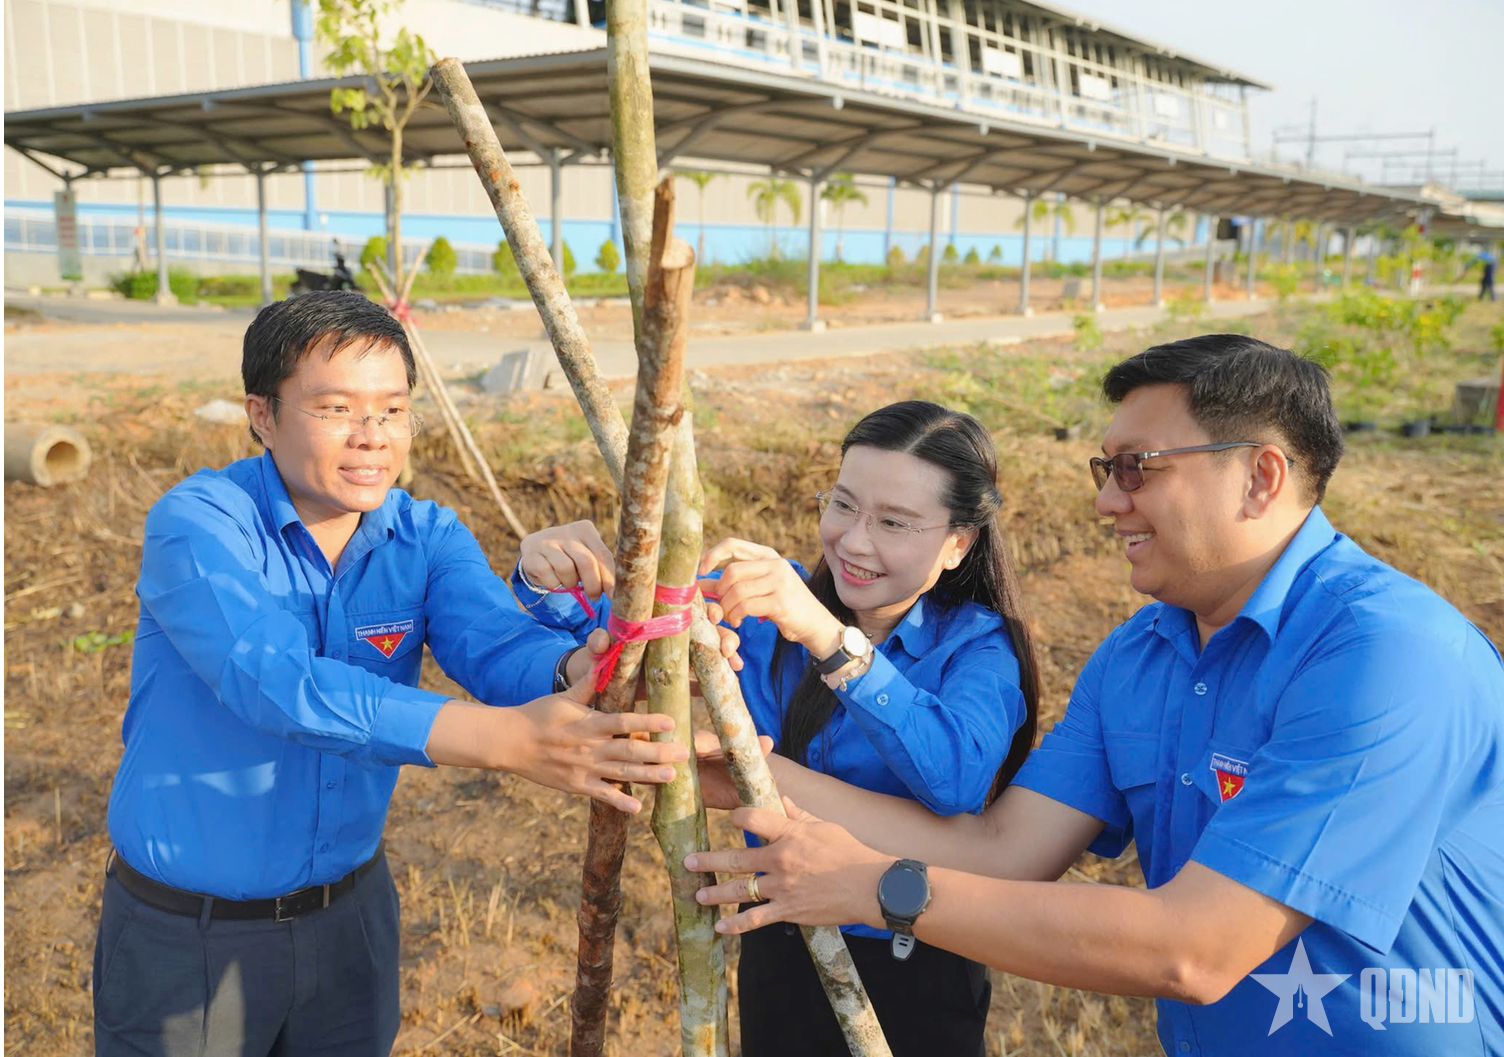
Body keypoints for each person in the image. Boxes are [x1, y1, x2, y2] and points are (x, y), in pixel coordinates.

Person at [687, 336, 1503, 1057]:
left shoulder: (1383, 653)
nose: (1108, 500)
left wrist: (878, 885)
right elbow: (1001, 848)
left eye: (1136, 468)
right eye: (1105, 469)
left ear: (1260, 477)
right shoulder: (1139, 658)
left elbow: (1198, 946)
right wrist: (753, 775)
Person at [93, 291, 688, 1057]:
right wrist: (504, 740)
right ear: (263, 415)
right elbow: (277, 681)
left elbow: (501, 649)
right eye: (336, 408)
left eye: (394, 409)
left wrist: (585, 655)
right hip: (190, 935)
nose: (371, 437)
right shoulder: (200, 524)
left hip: (351, 920)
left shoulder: (425, 534)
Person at [516, 400, 1041, 1057]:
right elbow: (617, 623)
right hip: (778, 930)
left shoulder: (978, 648)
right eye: (843, 504)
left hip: (915, 948)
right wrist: (543, 573)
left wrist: (831, 639)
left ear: (959, 541)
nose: (854, 540)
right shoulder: (771, 605)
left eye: (894, 522)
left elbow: (957, 778)